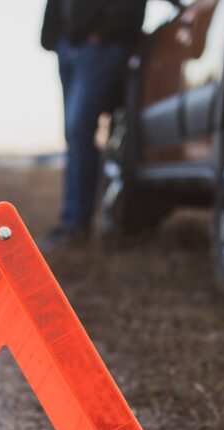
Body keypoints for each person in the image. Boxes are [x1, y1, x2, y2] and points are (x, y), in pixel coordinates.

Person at [41, 0, 146, 248]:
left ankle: (77, 223)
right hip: (69, 44)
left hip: (101, 45)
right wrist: (55, 38)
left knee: (79, 131)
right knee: (73, 136)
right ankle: (71, 221)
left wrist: (102, 33)